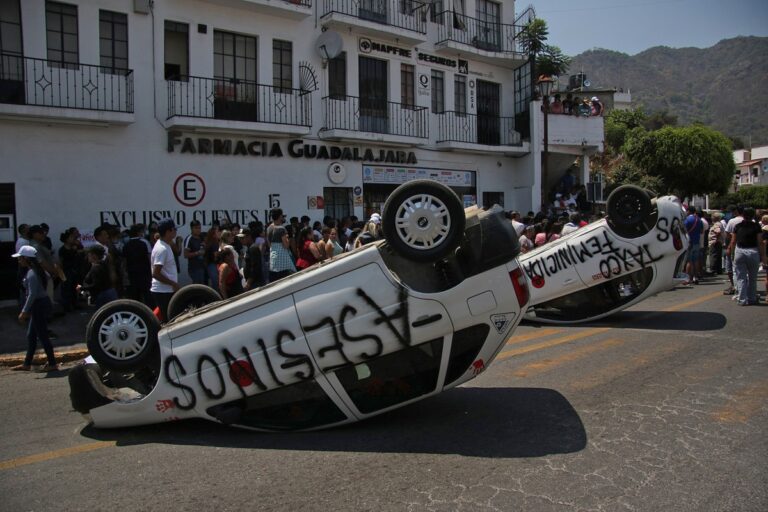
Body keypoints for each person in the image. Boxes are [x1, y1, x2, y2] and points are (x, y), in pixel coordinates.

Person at [12, 246, 58, 372]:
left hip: (38, 305)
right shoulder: (37, 270)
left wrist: (24, 311)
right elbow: (48, 278)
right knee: (31, 335)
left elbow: (32, 294)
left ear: (26, 258)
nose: (19, 261)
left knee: (42, 336)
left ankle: (53, 363)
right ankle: (27, 363)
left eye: (20, 258)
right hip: (40, 304)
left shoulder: (32, 273)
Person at [729, 208, 765, 305]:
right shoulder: (756, 226)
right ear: (753, 216)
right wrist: (763, 256)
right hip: (753, 251)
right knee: (753, 278)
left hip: (740, 251)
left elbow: (733, 241)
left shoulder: (738, 226)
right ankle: (752, 298)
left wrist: (732, 254)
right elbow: (760, 242)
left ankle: (742, 299)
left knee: (741, 277)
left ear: (743, 216)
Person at [150, 218, 180, 322]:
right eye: (174, 229)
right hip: (163, 291)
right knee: (169, 320)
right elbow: (155, 274)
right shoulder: (162, 249)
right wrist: (173, 283)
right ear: (168, 231)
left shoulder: (166, 245)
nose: (176, 231)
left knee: (167, 318)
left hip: (166, 290)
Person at [123, 224, 153, 308]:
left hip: (132, 275)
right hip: (145, 275)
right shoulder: (144, 242)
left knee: (135, 300)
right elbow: (150, 259)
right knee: (148, 298)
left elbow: (124, 263)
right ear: (140, 232)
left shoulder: (126, 244)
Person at [267, 208, 296, 282]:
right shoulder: (281, 229)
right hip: (282, 257)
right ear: (280, 216)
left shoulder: (269, 228)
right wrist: (289, 239)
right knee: (288, 278)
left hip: (273, 256)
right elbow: (286, 245)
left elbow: (269, 244)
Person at [58, 227, 83, 312]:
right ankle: (66, 306)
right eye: (71, 238)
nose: (73, 239)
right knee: (66, 289)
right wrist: (60, 274)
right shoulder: (62, 250)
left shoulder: (74, 248)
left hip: (74, 270)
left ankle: (74, 304)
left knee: (74, 288)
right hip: (66, 271)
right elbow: (60, 263)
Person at [723, 206, 744, 294]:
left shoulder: (732, 221)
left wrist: (728, 246)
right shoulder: (752, 221)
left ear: (736, 212)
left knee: (731, 268)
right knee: (744, 269)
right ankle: (743, 287)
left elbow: (727, 234)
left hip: (733, 246)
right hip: (747, 247)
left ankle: (734, 286)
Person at [682, 206, 702, 285]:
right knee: (696, 260)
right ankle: (695, 277)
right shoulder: (699, 220)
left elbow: (683, 229)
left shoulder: (688, 219)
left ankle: (687, 279)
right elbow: (701, 230)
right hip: (697, 241)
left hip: (689, 242)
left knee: (689, 261)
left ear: (689, 211)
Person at [184, 220, 207, 285]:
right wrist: (197, 253)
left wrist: (205, 247)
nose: (198, 230)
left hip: (202, 266)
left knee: (202, 285)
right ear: (191, 229)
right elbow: (185, 255)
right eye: (196, 228)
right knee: (196, 286)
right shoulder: (189, 239)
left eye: (199, 228)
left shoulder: (201, 237)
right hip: (194, 268)